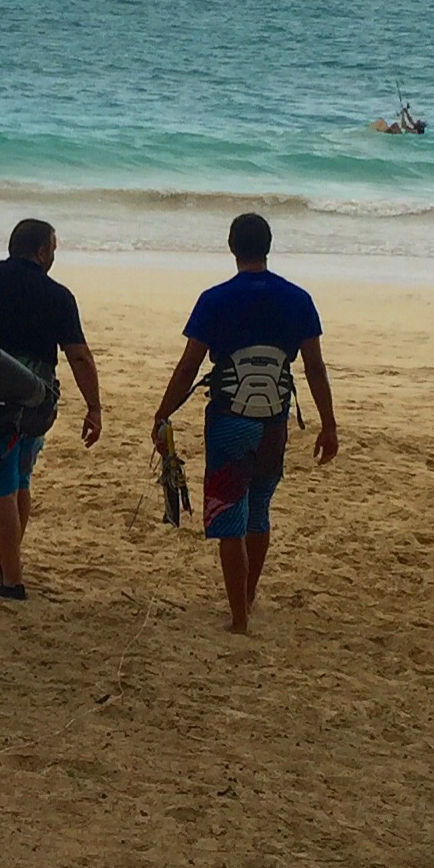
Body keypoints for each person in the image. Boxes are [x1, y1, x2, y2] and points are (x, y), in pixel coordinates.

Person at [150, 212, 336, 633]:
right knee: (259, 511)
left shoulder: (214, 299)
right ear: (268, 246)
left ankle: (238, 618)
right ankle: (247, 600)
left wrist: (163, 414)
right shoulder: (298, 299)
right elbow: (315, 368)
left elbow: (188, 367)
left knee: (230, 517)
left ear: (232, 247)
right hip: (274, 422)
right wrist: (329, 425)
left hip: (229, 421)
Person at [0, 218, 102, 601]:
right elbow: (79, 356)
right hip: (37, 404)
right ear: (42, 252)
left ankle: (11, 580)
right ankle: (9, 563)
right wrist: (94, 407)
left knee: (2, 489)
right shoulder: (59, 296)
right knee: (20, 479)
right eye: (53, 249)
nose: (54, 256)